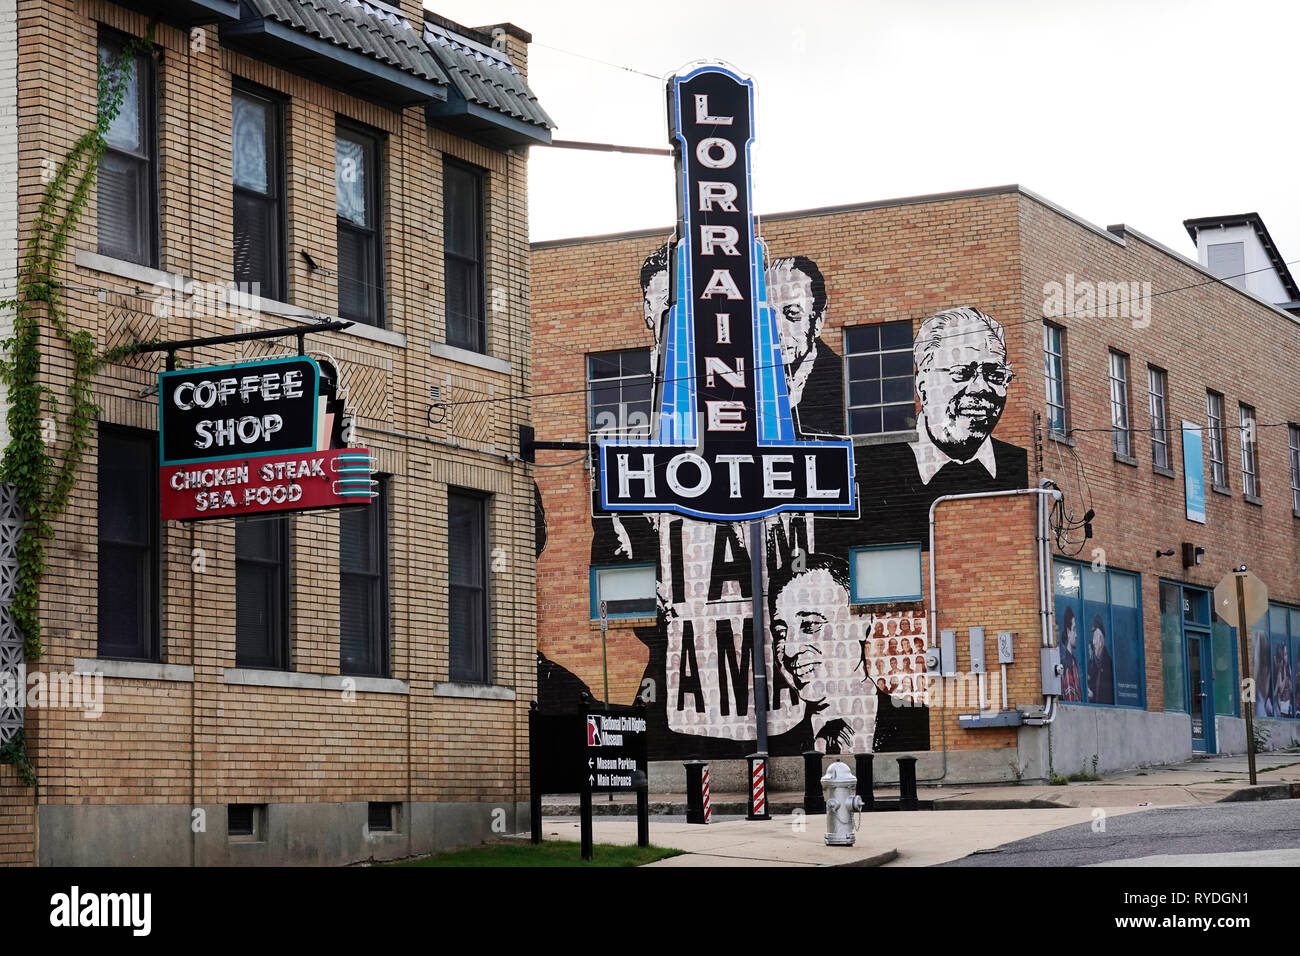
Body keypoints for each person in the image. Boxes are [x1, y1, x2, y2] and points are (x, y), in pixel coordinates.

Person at [768, 554, 875, 754]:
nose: (790, 650)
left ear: (861, 622)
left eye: (810, 625)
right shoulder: (781, 749)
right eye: (781, 633)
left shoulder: (917, 727)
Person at [910, 306, 1015, 484]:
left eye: (995, 374)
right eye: (962, 373)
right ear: (923, 386)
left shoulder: (1017, 464)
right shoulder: (868, 470)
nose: (981, 388)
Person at [765, 255, 845, 436]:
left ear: (818, 320)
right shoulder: (745, 381)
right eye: (769, 315)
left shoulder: (844, 381)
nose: (778, 330)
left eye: (792, 314)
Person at [1087, 616, 1114, 704]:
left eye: (1096, 638)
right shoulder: (1094, 663)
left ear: (1101, 640)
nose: (1093, 642)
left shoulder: (1108, 664)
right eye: (1093, 637)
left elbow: (1107, 695)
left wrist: (1093, 696)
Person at [1059, 606, 1082, 702]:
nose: (1076, 635)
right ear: (1068, 632)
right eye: (1074, 629)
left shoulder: (1072, 661)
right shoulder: (1067, 664)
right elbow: (1070, 698)